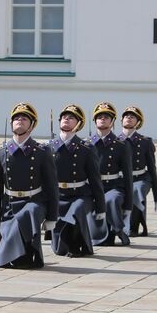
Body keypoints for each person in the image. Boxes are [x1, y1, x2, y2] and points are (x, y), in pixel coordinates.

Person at [0, 102, 58, 269]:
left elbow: (52, 186)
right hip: (10, 204)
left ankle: (16, 256)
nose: (19, 120)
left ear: (32, 126)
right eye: (16, 118)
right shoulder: (0, 153)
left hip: (35, 201)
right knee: (13, 223)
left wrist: (52, 217)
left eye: (24, 118)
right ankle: (18, 257)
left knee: (29, 212)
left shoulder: (42, 152)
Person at [47, 104, 105, 258]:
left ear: (79, 124)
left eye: (71, 117)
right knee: (59, 249)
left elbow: (95, 179)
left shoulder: (86, 148)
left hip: (80, 195)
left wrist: (100, 208)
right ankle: (68, 243)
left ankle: (76, 246)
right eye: (64, 117)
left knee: (76, 211)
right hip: (57, 196)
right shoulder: (48, 147)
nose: (66, 119)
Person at [87, 102, 133, 246]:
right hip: (92, 187)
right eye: (99, 117)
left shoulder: (121, 144)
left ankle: (119, 229)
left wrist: (128, 205)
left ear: (112, 121)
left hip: (113, 185)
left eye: (106, 117)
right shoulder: (86, 144)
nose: (102, 119)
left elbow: (127, 174)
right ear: (94, 121)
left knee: (110, 199)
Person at [117, 106, 157, 237]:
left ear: (138, 122)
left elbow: (152, 168)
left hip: (141, 178)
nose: (129, 118)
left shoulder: (145, 142)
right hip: (120, 178)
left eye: (132, 117)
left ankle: (132, 228)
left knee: (137, 190)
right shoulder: (115, 141)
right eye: (126, 116)